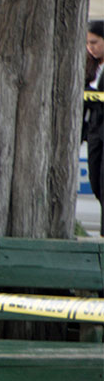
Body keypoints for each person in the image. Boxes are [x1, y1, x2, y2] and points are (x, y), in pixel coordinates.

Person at [85, 20, 104, 236]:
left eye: (95, 42)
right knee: (95, 181)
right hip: (94, 132)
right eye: (88, 43)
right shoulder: (89, 66)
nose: (91, 47)